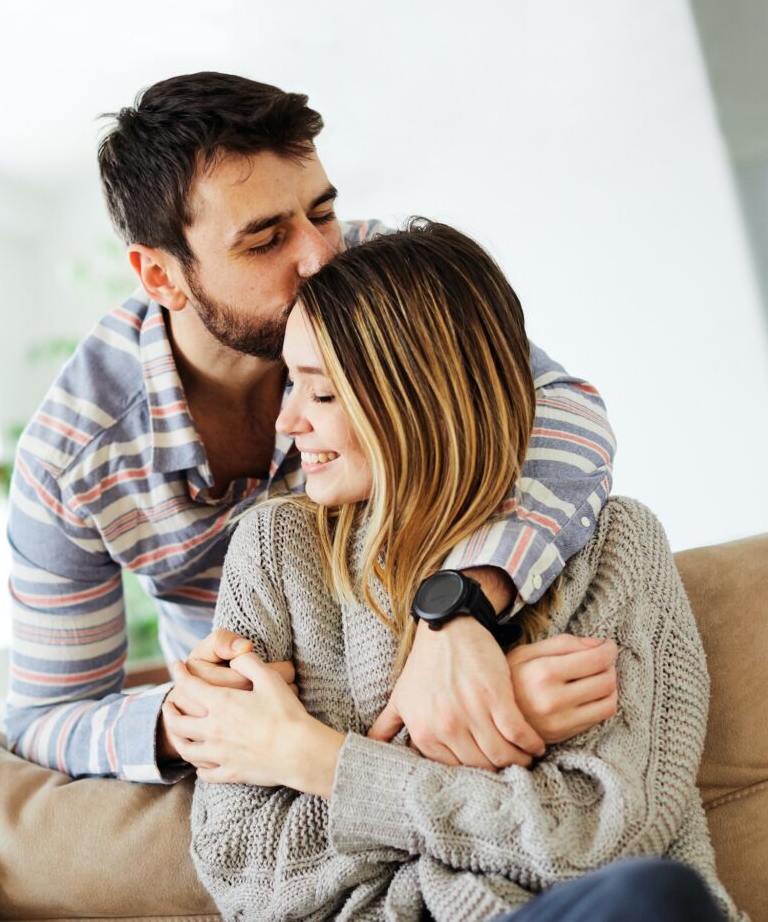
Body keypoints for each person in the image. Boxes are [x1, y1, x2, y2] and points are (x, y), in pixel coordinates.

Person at [5, 72, 616, 784]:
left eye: (321, 212)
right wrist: (184, 721)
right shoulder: (73, 458)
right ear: (161, 275)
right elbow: (43, 717)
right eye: (264, 239)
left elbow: (563, 408)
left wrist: (460, 607)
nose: (320, 257)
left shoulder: (373, 274)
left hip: (459, 680)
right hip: (280, 754)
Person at [176, 220, 739, 921]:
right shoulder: (273, 552)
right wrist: (483, 742)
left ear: (418, 396)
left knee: (652, 900)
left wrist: (314, 759)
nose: (288, 422)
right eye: (291, 384)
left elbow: (601, 836)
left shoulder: (617, 546)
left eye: (321, 395)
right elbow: (243, 869)